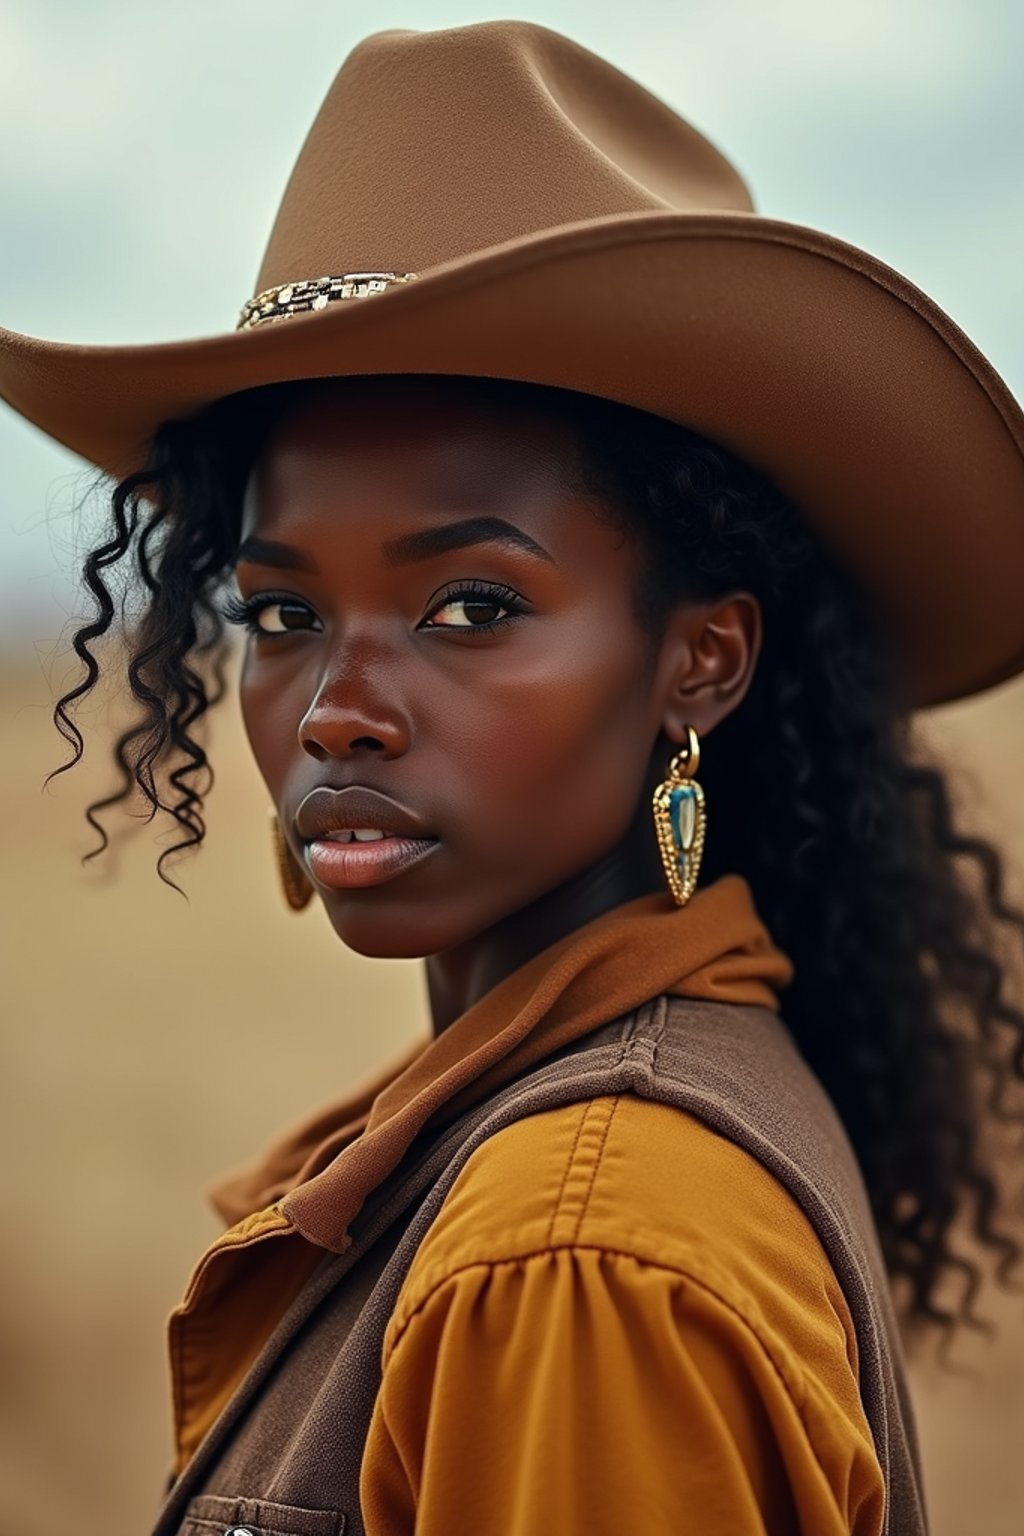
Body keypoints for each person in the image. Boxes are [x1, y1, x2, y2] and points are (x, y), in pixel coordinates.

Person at [3, 19, 1024, 1536]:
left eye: (469, 605)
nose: (337, 710)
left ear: (702, 663)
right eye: (283, 613)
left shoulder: (573, 1257)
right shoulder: (588, 1145)